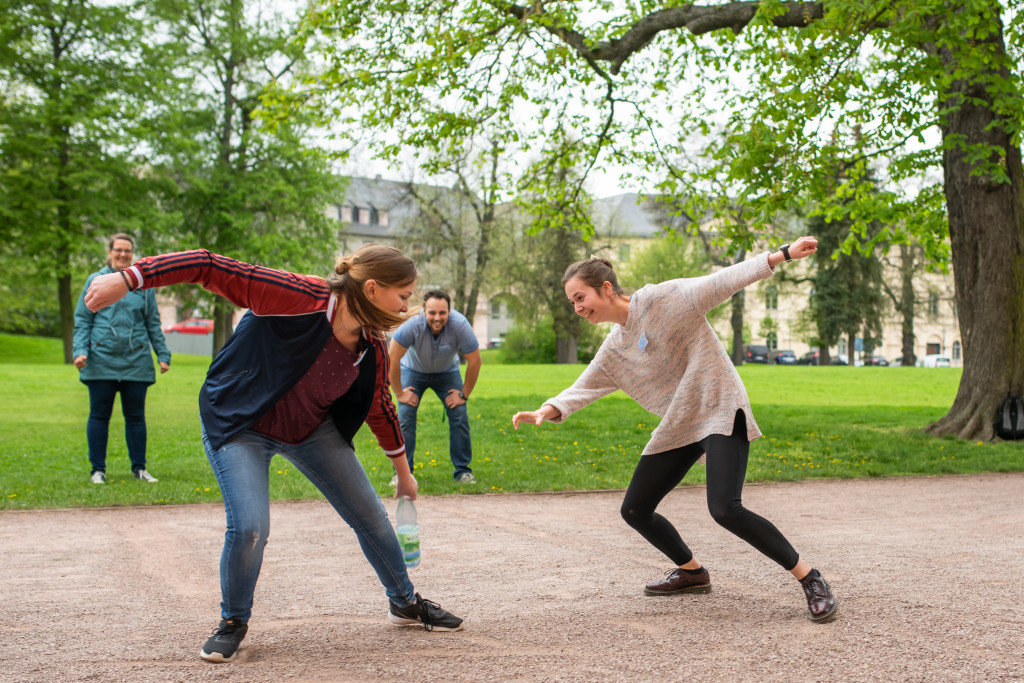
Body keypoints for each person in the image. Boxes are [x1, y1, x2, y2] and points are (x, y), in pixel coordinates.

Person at [84, 245, 464, 663]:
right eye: (404, 294)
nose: (408, 304)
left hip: (309, 428)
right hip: (241, 423)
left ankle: (404, 602)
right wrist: (128, 278)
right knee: (249, 527)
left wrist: (404, 471)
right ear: (372, 288)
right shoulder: (297, 296)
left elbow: (380, 406)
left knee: (370, 515)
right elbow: (208, 265)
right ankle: (233, 621)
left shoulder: (370, 346)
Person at [512, 237, 838, 623]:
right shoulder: (615, 346)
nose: (578, 308)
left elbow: (721, 281)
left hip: (718, 404)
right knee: (635, 509)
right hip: (682, 420)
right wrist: (547, 409)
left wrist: (780, 255)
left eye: (580, 297)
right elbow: (585, 385)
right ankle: (692, 572)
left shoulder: (664, 300)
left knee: (724, 508)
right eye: (572, 303)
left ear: (605, 288)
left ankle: (810, 579)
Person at [73, 233, 170, 484]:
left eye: (127, 251)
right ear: (110, 252)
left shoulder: (143, 285)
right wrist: (80, 351)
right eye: (118, 250)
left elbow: (153, 323)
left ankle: (139, 469)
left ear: (132, 253)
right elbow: (84, 318)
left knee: (136, 417)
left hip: (136, 361)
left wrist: (162, 354)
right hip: (101, 360)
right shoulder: (95, 280)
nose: (123, 254)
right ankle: (98, 471)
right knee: (99, 415)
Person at [388, 290, 481, 484]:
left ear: (449, 311)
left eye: (442, 313)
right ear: (424, 311)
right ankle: (402, 474)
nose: (437, 318)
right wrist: (399, 393)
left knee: (459, 415)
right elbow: (392, 357)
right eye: (432, 313)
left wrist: (464, 394)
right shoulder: (412, 324)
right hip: (413, 371)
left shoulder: (460, 325)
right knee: (405, 417)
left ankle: (463, 472)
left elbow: (475, 361)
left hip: (447, 373)